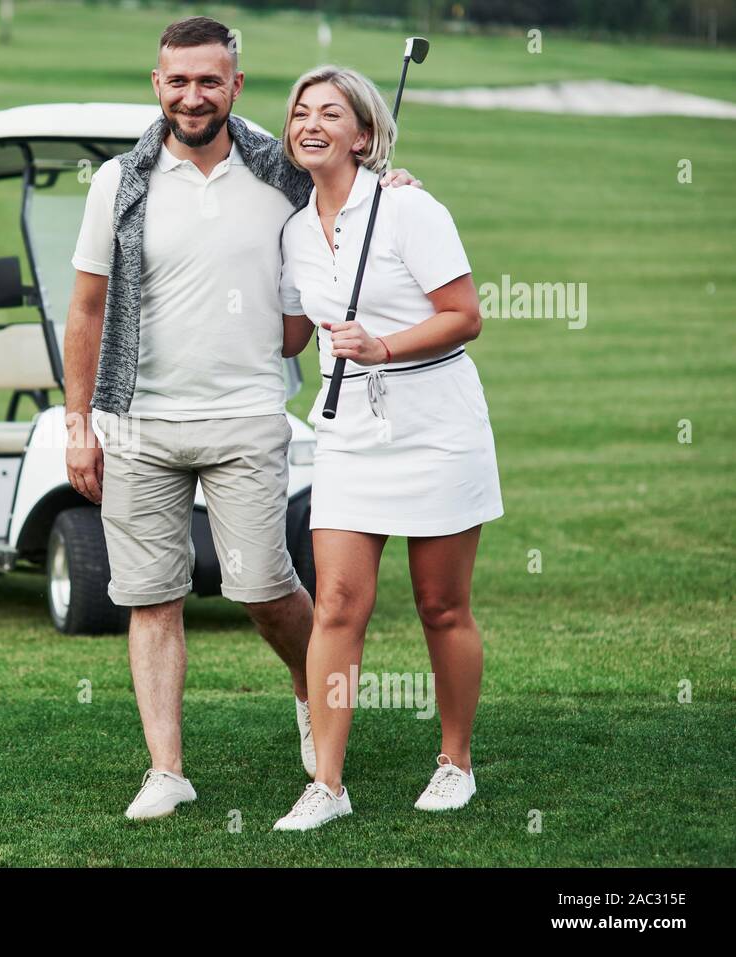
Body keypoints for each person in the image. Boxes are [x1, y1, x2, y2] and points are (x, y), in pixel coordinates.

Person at [62, 17, 419, 821]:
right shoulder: (118, 181)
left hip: (251, 413)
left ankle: (308, 688)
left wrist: (392, 186)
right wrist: (78, 421)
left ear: (236, 86)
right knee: (151, 595)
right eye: (178, 81)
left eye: (209, 80)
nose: (194, 95)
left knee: (263, 586)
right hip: (139, 420)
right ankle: (166, 769)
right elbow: (86, 307)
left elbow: (348, 190)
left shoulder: (280, 171)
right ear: (157, 85)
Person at [271, 65, 503, 833]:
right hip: (347, 433)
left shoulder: (409, 208)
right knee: (337, 603)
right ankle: (328, 784)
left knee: (441, 605)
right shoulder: (294, 230)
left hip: (435, 423)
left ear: (363, 135)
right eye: (301, 111)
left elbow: (465, 315)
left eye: (330, 113)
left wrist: (384, 346)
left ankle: (455, 761)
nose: (311, 122)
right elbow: (289, 333)